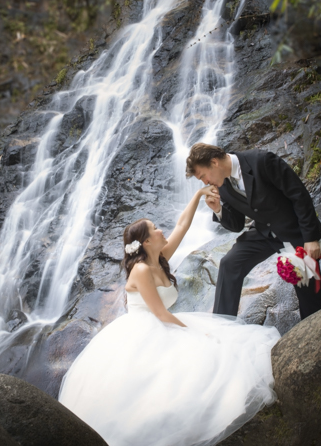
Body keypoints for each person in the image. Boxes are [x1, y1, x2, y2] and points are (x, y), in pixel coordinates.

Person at [58, 186, 280, 446]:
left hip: (160, 325)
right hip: (142, 332)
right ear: (147, 241)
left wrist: (198, 196)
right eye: (154, 228)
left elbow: (182, 225)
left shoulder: (159, 257)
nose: (161, 230)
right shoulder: (141, 270)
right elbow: (161, 314)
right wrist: (196, 330)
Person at [186, 142, 321, 319]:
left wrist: (310, 238)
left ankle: (317, 332)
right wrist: (218, 210)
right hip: (263, 232)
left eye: (202, 177)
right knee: (229, 264)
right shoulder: (223, 185)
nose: (205, 183)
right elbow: (237, 225)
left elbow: (299, 195)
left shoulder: (262, 161)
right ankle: (222, 324)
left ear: (214, 162)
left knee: (309, 296)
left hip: (294, 232)